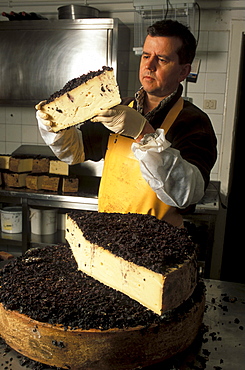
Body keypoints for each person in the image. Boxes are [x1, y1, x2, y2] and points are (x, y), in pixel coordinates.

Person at [37, 19, 217, 227]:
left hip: (157, 246)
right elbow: (76, 151)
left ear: (183, 72)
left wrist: (143, 133)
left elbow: (187, 195)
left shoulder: (194, 122)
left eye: (162, 59)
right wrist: (55, 128)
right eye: (146, 56)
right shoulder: (118, 108)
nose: (149, 66)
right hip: (110, 236)